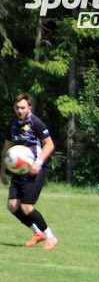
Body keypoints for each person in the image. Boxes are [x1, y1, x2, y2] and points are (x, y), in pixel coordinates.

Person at [0, 93, 58, 249]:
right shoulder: (12, 124)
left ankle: (50, 237)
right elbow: (6, 148)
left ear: (29, 108)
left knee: (26, 207)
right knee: (12, 206)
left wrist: (38, 163)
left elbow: (49, 144)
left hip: (35, 170)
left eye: (23, 108)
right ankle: (37, 233)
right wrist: (3, 171)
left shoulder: (36, 123)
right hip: (18, 170)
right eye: (17, 108)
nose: (20, 111)